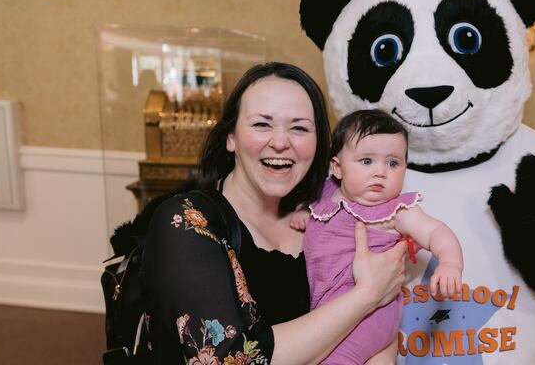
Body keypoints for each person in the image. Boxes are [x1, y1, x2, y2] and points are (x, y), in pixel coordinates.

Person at [140, 63, 408, 365]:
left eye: (299, 128)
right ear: (231, 137)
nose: (280, 143)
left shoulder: (326, 215)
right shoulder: (187, 221)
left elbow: (378, 334)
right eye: (261, 125)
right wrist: (367, 295)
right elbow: (231, 359)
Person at [291, 109, 464, 364]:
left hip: (369, 316)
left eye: (393, 163)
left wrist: (450, 263)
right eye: (367, 161)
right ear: (337, 168)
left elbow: (437, 231)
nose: (380, 172)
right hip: (336, 311)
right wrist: (307, 216)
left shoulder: (396, 212)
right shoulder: (326, 195)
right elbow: (321, 221)